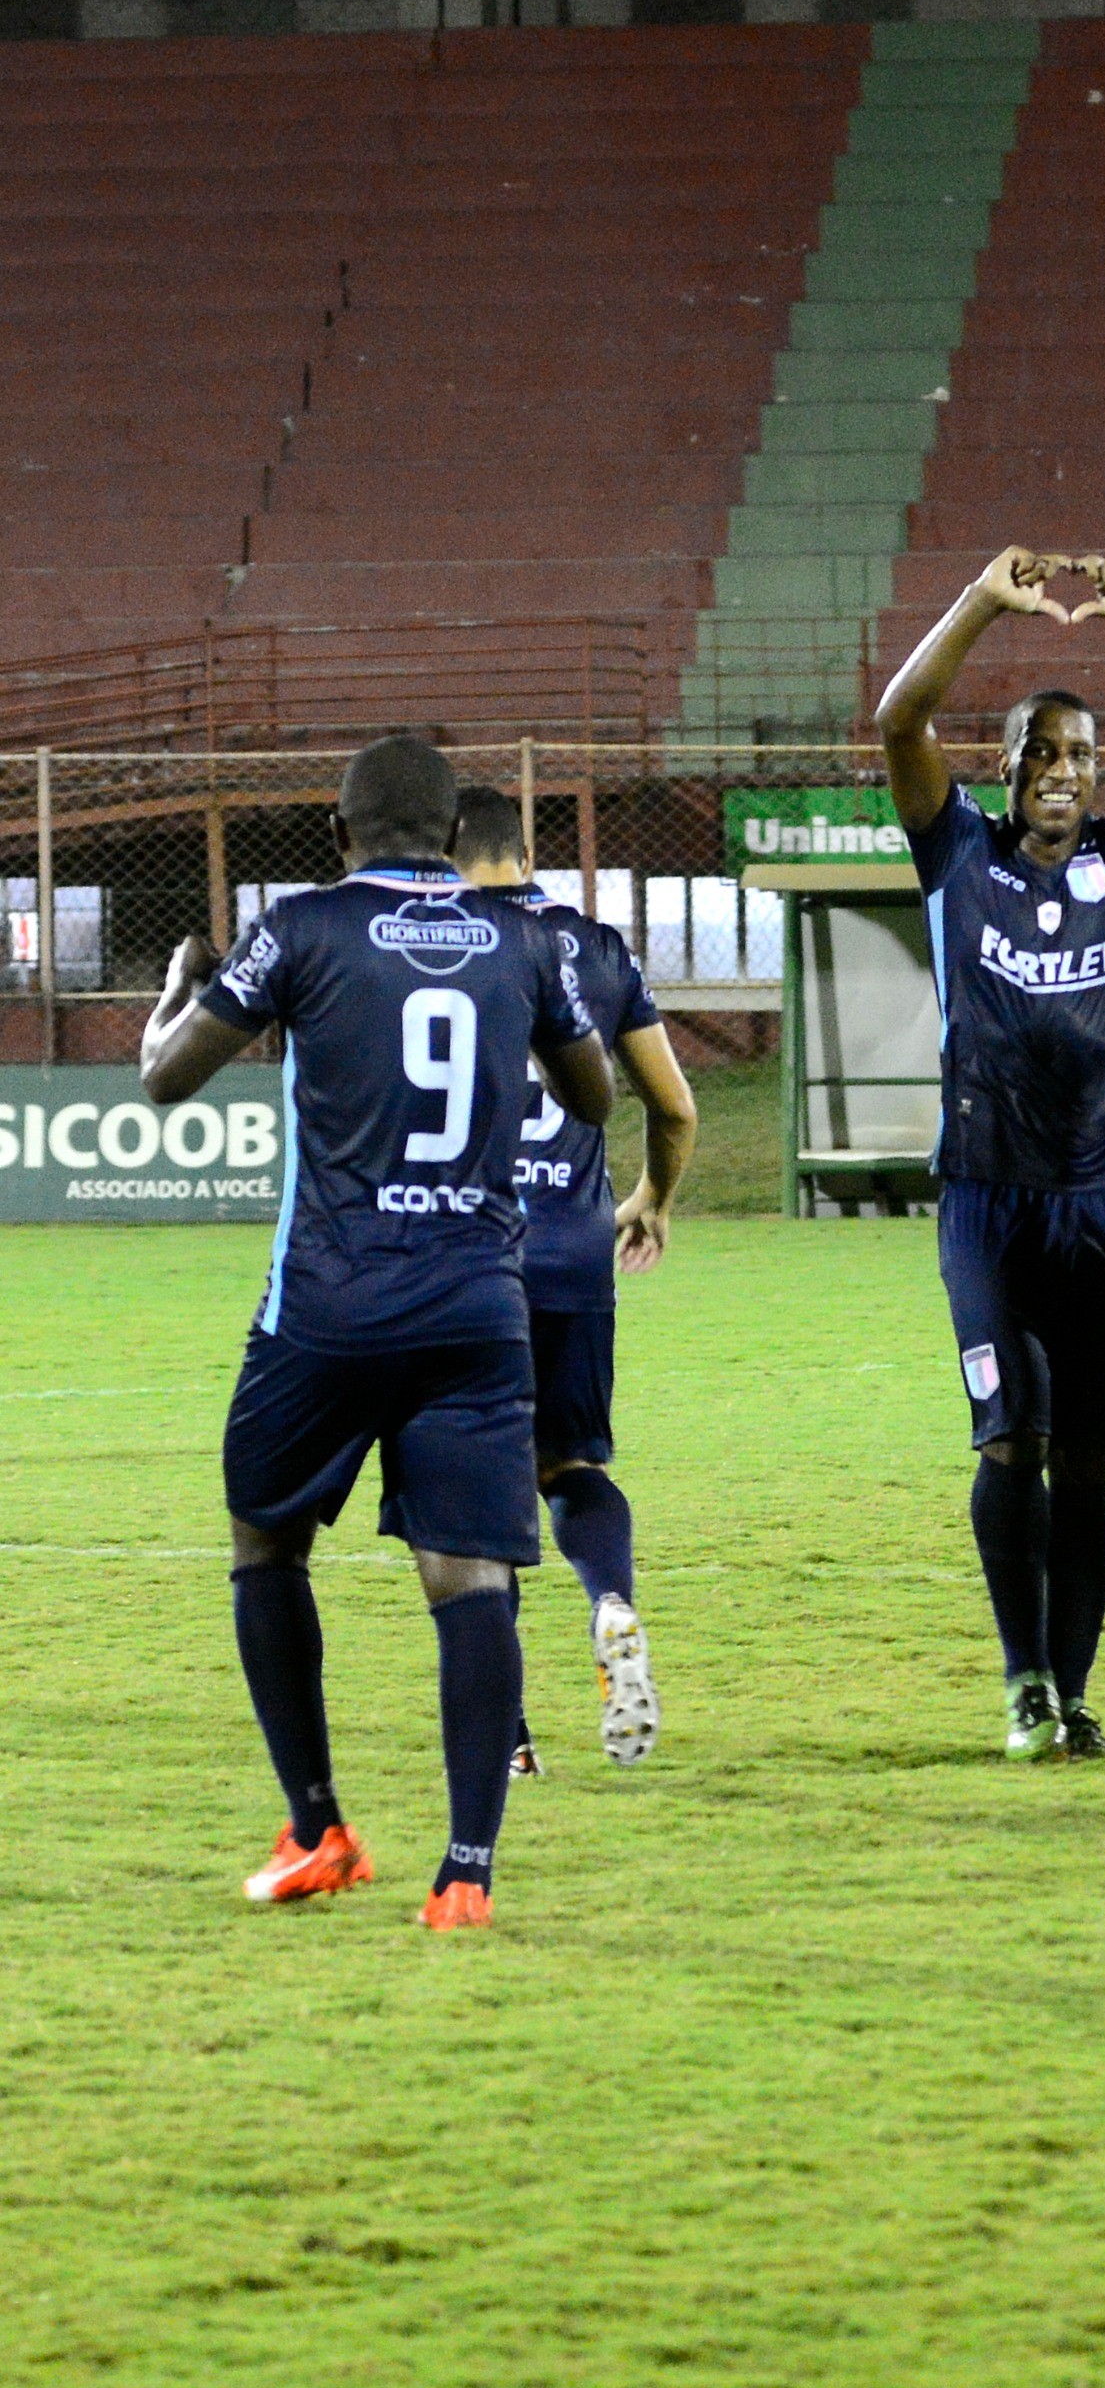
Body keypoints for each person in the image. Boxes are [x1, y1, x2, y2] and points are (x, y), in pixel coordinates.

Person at [140, 734, 614, 1927]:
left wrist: (172, 993)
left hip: (329, 1307)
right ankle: (466, 1873)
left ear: (340, 836)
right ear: (454, 840)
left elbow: (163, 1078)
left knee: (265, 1540)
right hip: (474, 1306)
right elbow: (594, 1093)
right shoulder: (521, 939)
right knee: (468, 1578)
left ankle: (318, 1828)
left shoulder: (300, 927)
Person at [877, 546, 1105, 1759]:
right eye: (1041, 750)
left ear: (1099, 779)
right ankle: (1023, 1675)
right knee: (1010, 1437)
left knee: (1088, 1458)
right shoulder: (956, 853)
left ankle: (1074, 1691)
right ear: (1007, 767)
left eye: (1081, 755)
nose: (1061, 771)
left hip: (1101, 1207)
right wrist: (984, 601)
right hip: (987, 1202)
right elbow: (899, 717)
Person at [446, 787, 696, 1775]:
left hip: (465, 1261)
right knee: (573, 1469)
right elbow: (673, 1109)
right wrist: (650, 1199)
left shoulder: (429, 944)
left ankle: (508, 1741)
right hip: (575, 1258)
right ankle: (611, 1602)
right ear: (524, 851)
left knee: (470, 1507)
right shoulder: (595, 945)